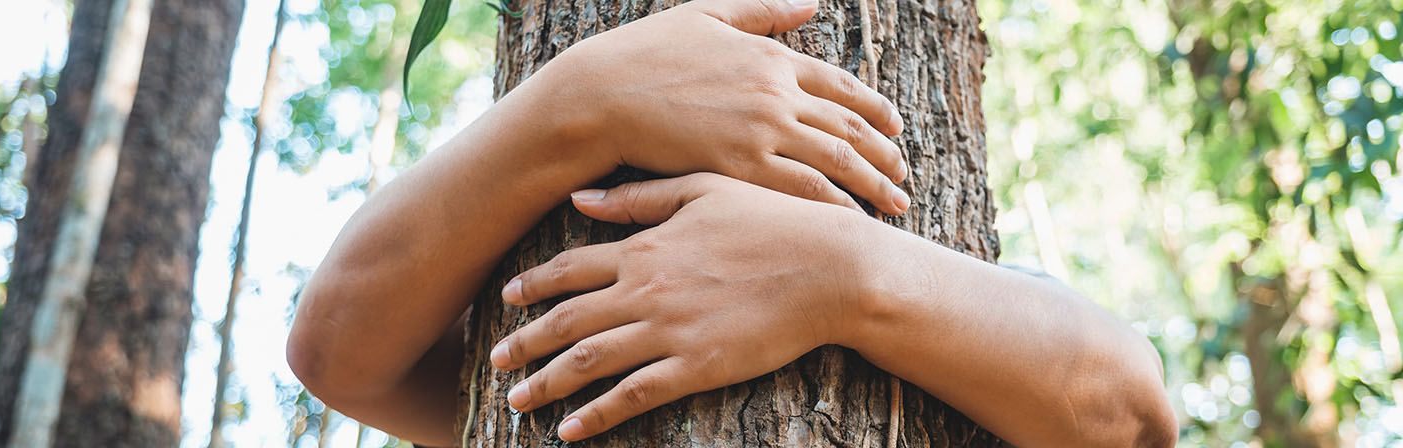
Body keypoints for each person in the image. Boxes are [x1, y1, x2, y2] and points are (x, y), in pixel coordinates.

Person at [285, 0, 1178, 445]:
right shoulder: (530, 300)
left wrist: (843, 275)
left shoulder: (988, 328)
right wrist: (584, 102)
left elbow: (1131, 414)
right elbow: (336, 349)